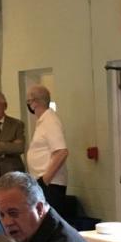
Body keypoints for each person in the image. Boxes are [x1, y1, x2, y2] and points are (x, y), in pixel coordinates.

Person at [25, 85, 70, 217]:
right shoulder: (42, 121)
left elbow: (62, 152)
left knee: (49, 221)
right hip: (44, 182)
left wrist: (44, 181)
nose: (28, 105)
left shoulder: (50, 120)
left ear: (34, 102)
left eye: (28, 101)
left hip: (50, 184)